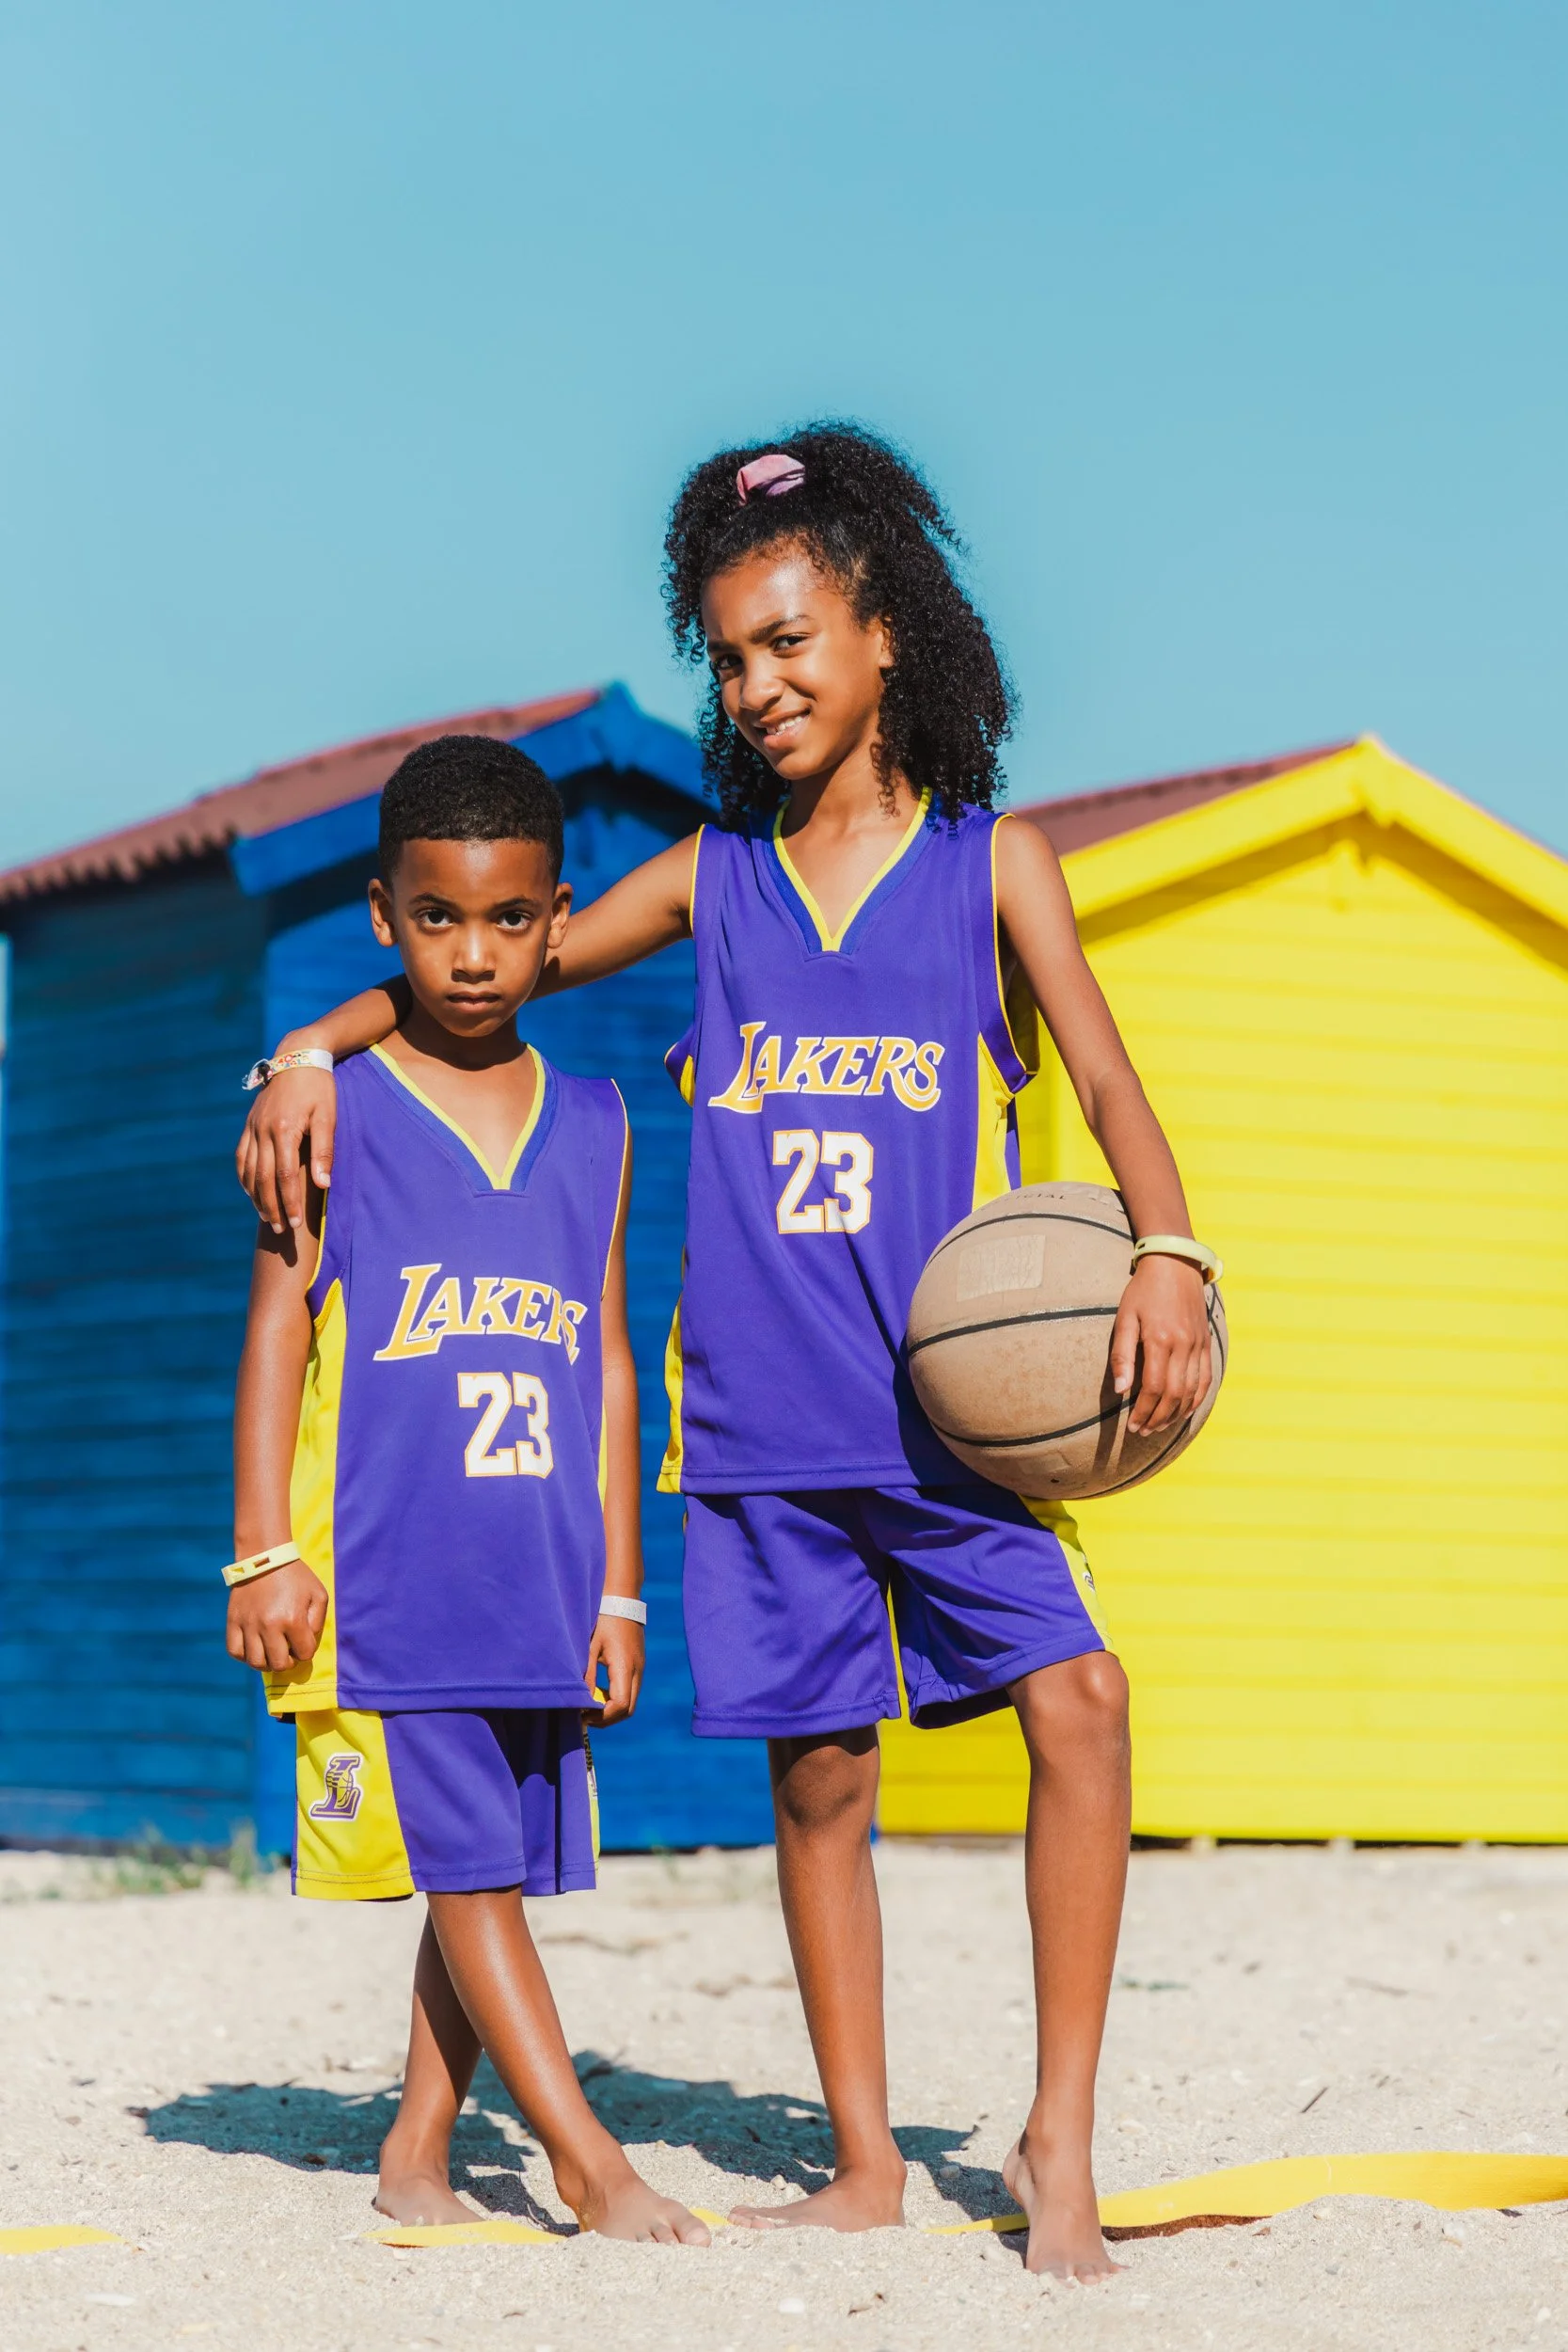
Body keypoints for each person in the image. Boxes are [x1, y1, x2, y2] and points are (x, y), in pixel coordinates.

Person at [237, 426, 1214, 2280]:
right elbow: (498, 970)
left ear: (882, 635)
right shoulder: (707, 880)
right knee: (821, 1778)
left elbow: (1099, 1075)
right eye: (729, 655)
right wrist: (314, 1043)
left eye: (787, 641)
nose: (758, 685)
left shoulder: (992, 864)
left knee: (1075, 1702)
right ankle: (862, 2160)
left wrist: (1161, 1248)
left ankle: (1054, 2135)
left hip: (942, 1412)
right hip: (759, 1422)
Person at [227, 733, 708, 2247]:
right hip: (393, 1568)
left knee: (482, 1870)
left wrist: (622, 1582)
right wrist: (261, 1552)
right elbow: (278, 1329)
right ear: (383, 917)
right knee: (474, 1878)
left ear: (558, 919)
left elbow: (614, 1365)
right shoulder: (336, 1110)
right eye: (438, 917)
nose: (476, 952)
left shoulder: (602, 1122)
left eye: (509, 920)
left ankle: (417, 2151)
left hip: (545, 1571)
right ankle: (588, 2161)